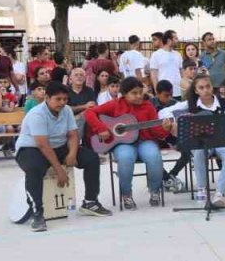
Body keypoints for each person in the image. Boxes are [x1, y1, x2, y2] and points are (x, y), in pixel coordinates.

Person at [16, 82, 112, 231]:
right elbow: (43, 145)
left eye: (65, 99)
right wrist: (60, 171)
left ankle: (90, 202)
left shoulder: (66, 110)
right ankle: (37, 214)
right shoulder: (37, 114)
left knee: (92, 158)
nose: (62, 103)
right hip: (31, 148)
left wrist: (72, 154)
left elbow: (72, 135)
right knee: (34, 169)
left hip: (59, 145)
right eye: (58, 99)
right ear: (47, 98)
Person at [84, 77, 169, 210]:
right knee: (125, 158)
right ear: (124, 94)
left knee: (154, 157)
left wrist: (165, 128)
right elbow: (90, 112)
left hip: (145, 141)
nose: (139, 96)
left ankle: (154, 190)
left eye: (140, 92)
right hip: (122, 143)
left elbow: (158, 132)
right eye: (134, 93)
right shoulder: (116, 104)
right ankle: (126, 194)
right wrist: (101, 128)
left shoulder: (148, 106)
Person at [159, 74, 225, 206]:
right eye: (201, 88)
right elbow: (163, 112)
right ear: (196, 90)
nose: (205, 90)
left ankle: (220, 193)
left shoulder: (224, 104)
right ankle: (202, 189)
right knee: (198, 154)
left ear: (212, 87)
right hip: (200, 142)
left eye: (208, 86)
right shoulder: (190, 104)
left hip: (221, 142)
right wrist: (171, 122)